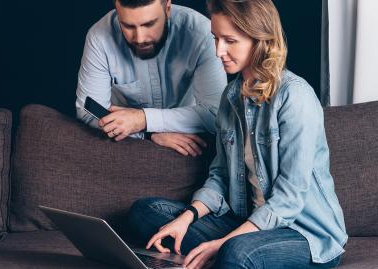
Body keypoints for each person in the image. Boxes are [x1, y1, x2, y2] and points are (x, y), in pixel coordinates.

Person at [128, 0, 348, 268]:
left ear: (260, 40)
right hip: (245, 222)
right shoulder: (231, 96)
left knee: (237, 252)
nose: (219, 50)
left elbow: (289, 199)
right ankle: (218, 255)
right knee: (146, 212)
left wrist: (221, 243)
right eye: (215, 38)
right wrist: (187, 218)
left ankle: (224, 255)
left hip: (303, 234)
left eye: (230, 40)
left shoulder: (295, 96)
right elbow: (220, 176)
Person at [75, 0, 228, 157]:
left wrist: (143, 120)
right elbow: (87, 113)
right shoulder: (99, 37)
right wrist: (148, 133)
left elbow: (216, 115)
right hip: (125, 143)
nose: (140, 38)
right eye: (128, 26)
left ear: (167, 8)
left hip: (189, 142)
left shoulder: (203, 34)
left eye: (149, 24)